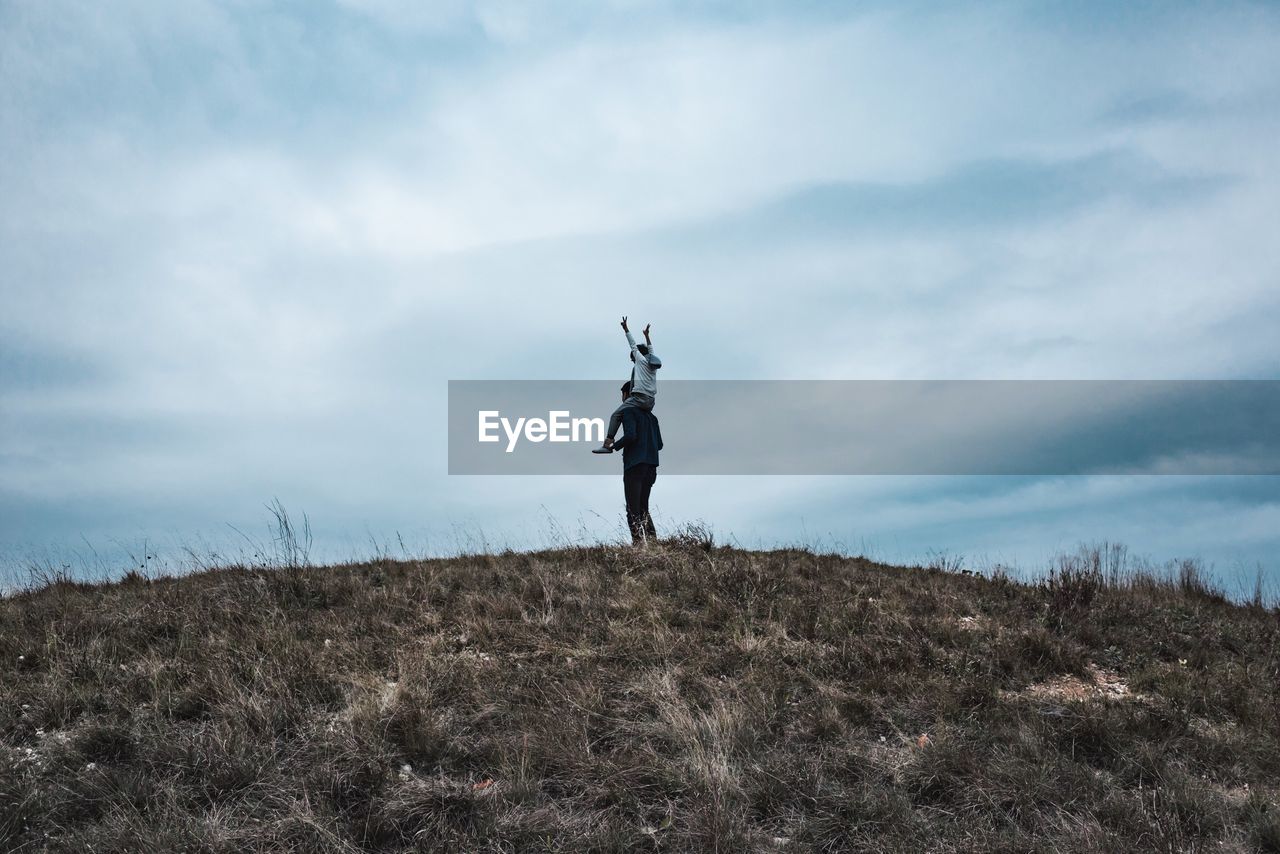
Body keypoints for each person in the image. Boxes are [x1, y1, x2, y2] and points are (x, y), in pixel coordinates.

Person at [597, 316, 661, 453]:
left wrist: (626, 329)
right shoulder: (652, 366)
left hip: (639, 399)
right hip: (651, 403)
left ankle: (607, 444)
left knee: (616, 415)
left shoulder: (640, 360)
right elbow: (651, 351)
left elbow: (632, 345)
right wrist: (647, 336)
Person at [609, 381, 662, 544]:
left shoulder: (628, 412)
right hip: (651, 467)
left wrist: (614, 445)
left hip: (634, 465)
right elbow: (659, 445)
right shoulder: (653, 418)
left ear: (627, 394)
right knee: (643, 507)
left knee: (632, 509)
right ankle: (653, 544)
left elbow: (631, 435)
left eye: (622, 395)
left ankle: (638, 544)